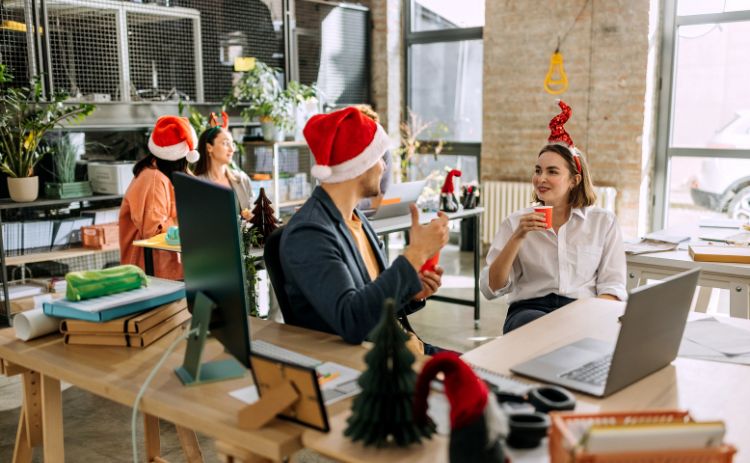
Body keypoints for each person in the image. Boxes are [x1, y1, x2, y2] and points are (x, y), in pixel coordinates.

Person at [280, 106, 449, 353]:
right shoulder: (309, 234)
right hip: (373, 364)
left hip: (402, 347)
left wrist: (411, 293)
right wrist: (415, 255)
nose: (383, 167)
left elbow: (373, 298)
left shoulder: (356, 219)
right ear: (359, 165)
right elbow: (352, 321)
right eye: (378, 157)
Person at [480, 100, 627, 334]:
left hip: (583, 309)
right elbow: (491, 288)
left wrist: (594, 318)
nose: (541, 179)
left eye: (552, 172)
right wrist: (518, 236)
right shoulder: (515, 222)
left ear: (574, 180)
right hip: (529, 310)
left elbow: (613, 285)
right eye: (538, 171)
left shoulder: (603, 222)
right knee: (533, 327)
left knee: (574, 333)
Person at [119, 116, 198, 280]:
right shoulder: (153, 179)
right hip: (153, 274)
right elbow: (155, 231)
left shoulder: (170, 174)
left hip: (172, 270)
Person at [193, 112, 254, 215]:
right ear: (209, 147)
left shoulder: (242, 179)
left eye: (232, 144)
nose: (231, 149)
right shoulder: (196, 185)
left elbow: (253, 213)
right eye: (225, 143)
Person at [353, 104, 392, 211]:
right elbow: (339, 200)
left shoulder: (383, 152)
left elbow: (384, 196)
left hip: (371, 213)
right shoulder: (345, 158)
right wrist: (371, 202)